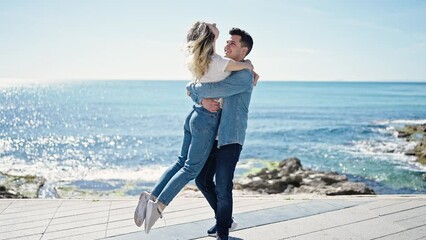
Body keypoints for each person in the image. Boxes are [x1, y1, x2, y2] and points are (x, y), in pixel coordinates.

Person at [133, 21, 254, 234]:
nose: (226, 42)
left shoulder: (203, 60)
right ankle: (158, 206)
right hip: (206, 122)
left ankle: (152, 197)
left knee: (186, 165)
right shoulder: (220, 62)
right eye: (222, 36)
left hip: (206, 123)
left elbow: (196, 87)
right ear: (210, 37)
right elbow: (218, 82)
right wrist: (249, 65)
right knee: (192, 170)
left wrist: (199, 97)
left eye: (232, 42)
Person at [187, 27, 257, 240]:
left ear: (244, 50)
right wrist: (197, 96)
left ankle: (223, 233)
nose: (226, 46)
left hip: (230, 138)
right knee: (202, 181)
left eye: (232, 43)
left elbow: (209, 90)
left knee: (223, 187)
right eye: (226, 42)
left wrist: (191, 88)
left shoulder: (244, 76)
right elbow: (205, 92)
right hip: (212, 137)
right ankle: (223, 220)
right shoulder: (227, 70)